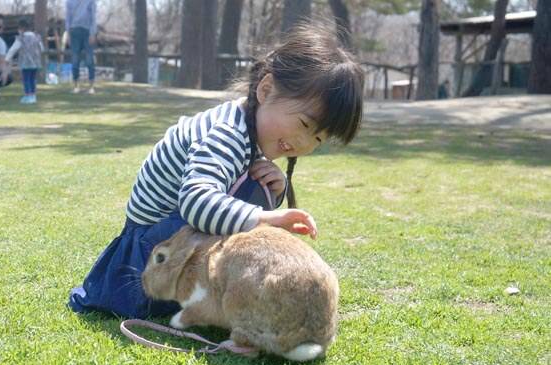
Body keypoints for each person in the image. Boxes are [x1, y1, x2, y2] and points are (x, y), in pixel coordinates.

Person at [68, 22, 365, 319]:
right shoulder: (228, 132)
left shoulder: (249, 130)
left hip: (171, 239)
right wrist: (266, 216)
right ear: (266, 89)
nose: (303, 142)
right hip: (149, 255)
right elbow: (197, 202)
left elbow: (226, 199)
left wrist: (273, 193)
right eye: (303, 124)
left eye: (317, 139)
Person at [5, 18, 44, 104]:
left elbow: (13, 49)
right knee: (33, 79)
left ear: (21, 28)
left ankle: (28, 96)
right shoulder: (37, 37)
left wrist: (7, 58)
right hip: (36, 62)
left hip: (26, 62)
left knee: (26, 79)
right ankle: (33, 96)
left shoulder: (21, 38)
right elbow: (42, 48)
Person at [65, 0, 97, 94]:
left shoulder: (90, 1)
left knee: (89, 59)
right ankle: (76, 86)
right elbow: (68, 18)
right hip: (74, 31)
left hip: (87, 31)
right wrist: (68, 33)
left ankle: (91, 87)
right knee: (75, 60)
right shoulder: (69, 2)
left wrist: (92, 33)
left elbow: (93, 17)